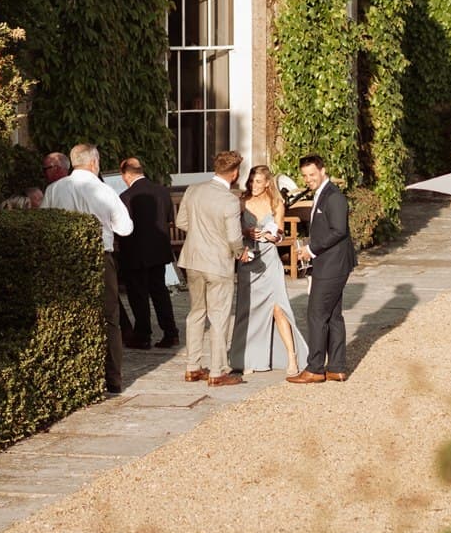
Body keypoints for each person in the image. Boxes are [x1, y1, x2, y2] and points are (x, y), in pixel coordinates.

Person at [42, 144, 136, 392]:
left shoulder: (54, 189)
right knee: (109, 317)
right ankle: (112, 377)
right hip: (100, 256)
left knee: (68, 311)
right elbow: (125, 228)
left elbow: (43, 222)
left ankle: (73, 376)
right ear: (94, 163)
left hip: (65, 255)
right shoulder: (104, 190)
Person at [175, 150, 250, 387]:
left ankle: (192, 367)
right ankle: (217, 371)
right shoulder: (229, 200)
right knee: (218, 316)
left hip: (193, 259)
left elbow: (181, 222)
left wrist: (201, 235)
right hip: (217, 262)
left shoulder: (193, 190)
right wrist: (240, 252)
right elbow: (234, 238)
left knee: (196, 313)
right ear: (235, 173)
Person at [233, 165, 309, 375]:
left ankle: (292, 357)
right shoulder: (242, 201)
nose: (253, 185)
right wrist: (246, 232)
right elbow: (233, 229)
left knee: (279, 308)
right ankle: (247, 359)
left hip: (269, 261)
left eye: (258, 181)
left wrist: (270, 236)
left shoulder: (277, 203)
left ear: (267, 183)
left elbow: (280, 234)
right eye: (251, 181)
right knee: (248, 310)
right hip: (249, 260)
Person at [291, 154, 355, 383]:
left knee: (316, 314)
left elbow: (339, 230)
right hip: (331, 262)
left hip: (332, 264)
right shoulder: (321, 193)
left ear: (323, 170)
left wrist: (311, 249)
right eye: (305, 176)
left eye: (312, 174)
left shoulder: (334, 196)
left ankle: (315, 369)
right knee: (333, 315)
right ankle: (336, 368)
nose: (308, 179)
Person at [116, 157, 179, 350]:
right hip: (158, 251)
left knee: (138, 295)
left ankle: (143, 335)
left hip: (135, 252)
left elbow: (123, 227)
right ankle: (170, 332)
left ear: (126, 174)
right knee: (160, 292)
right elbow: (168, 219)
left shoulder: (126, 196)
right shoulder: (162, 191)